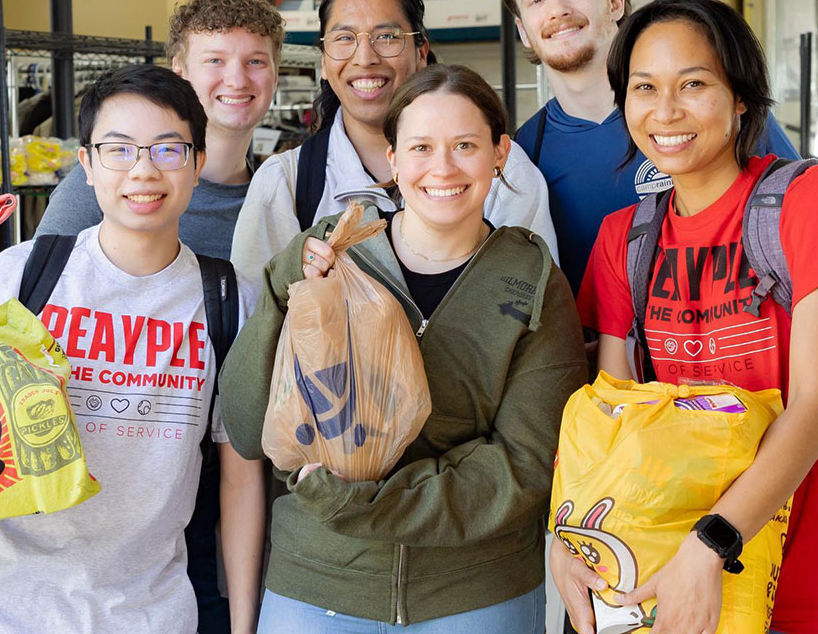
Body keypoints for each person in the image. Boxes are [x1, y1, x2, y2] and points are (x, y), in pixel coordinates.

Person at [0, 0, 283, 633]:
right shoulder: (26, 273)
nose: (143, 170)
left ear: (193, 163)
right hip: (3, 611)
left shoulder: (236, 287)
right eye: (119, 150)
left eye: (167, 150)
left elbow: (241, 474)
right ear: (86, 164)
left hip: (154, 604)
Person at [555, 0, 818, 634]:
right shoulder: (623, 239)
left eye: (693, 84)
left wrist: (711, 542)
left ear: (741, 96)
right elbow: (612, 418)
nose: (665, 111)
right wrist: (566, 537)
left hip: (817, 585)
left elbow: (816, 408)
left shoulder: (813, 201)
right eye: (644, 88)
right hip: (670, 577)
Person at [221, 64, 587, 633]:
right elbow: (247, 427)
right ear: (393, 159)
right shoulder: (327, 256)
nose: (442, 168)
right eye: (420, 147)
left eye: (465, 145)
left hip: (474, 594)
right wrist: (285, 288)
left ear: (500, 153)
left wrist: (362, 503)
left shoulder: (532, 280)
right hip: (318, 584)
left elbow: (524, 464)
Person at [500, 0, 799, 293]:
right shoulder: (524, 153)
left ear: (615, 2)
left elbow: (802, 226)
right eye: (536, 0)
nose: (558, 9)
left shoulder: (711, 113)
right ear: (523, 30)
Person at [230, 0, 557, 303]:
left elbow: (530, 302)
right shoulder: (286, 182)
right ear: (324, 62)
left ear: (421, 52)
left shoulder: (502, 170)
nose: (365, 58)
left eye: (386, 36)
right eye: (344, 38)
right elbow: (258, 313)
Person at [39, 0, 284, 258]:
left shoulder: (280, 198)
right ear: (179, 72)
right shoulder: (113, 181)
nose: (237, 80)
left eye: (256, 61)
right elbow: (40, 276)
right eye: (215, 60)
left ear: (275, 77)